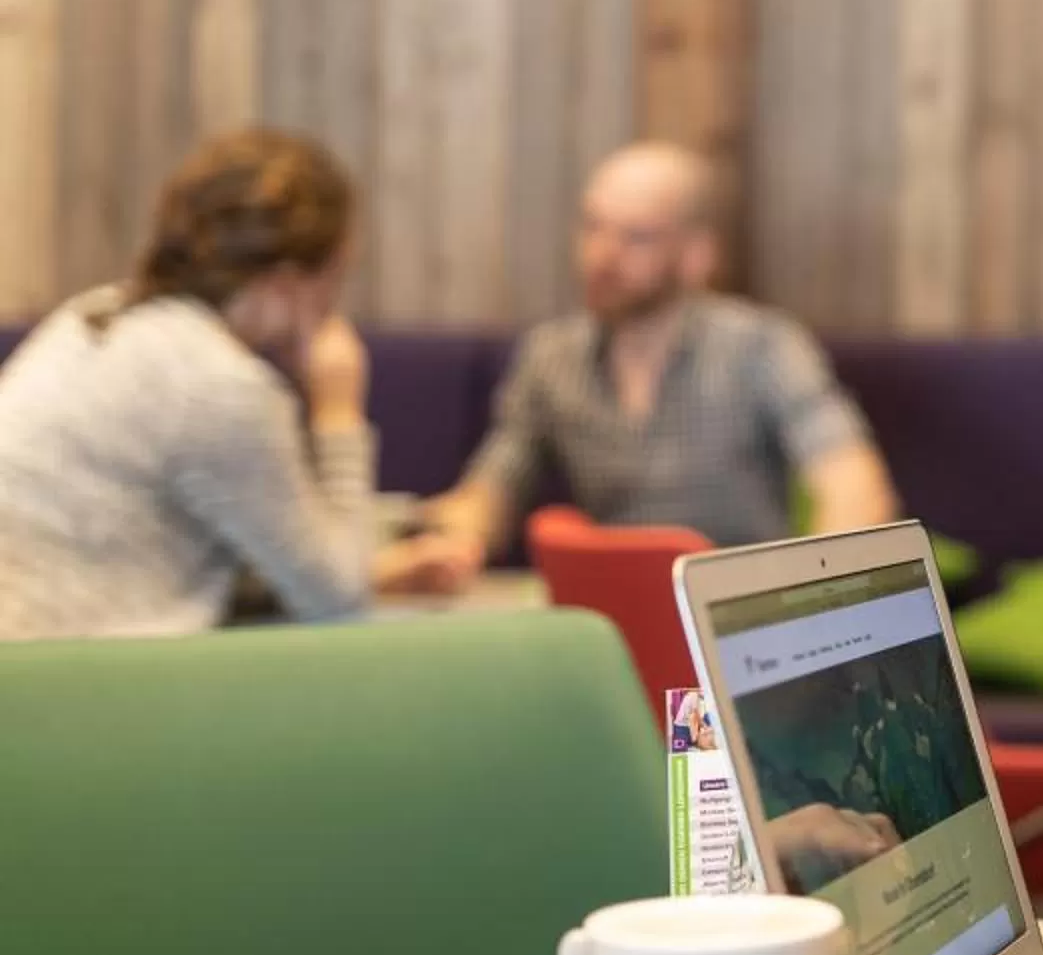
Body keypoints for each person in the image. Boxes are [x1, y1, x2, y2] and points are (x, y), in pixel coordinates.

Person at [0, 129, 471, 639]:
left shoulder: (93, 314)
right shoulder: (222, 387)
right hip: (69, 673)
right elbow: (338, 605)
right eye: (336, 278)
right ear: (289, 283)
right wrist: (339, 412)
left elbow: (161, 550)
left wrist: (376, 568)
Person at [425, 141, 898, 564]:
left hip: (735, 614)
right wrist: (457, 543)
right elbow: (497, 482)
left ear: (696, 256)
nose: (602, 255)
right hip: (611, 613)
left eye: (637, 237)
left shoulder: (762, 348)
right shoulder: (551, 357)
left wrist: (815, 595)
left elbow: (851, 484)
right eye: (593, 227)